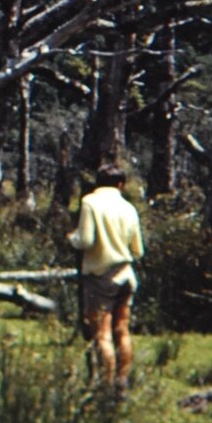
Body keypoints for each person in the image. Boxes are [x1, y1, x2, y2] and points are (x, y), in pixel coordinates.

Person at [70, 162, 144, 390]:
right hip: (126, 274)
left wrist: (71, 238)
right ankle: (122, 382)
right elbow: (138, 250)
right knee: (122, 330)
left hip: (101, 276)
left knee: (102, 335)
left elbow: (85, 240)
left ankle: (105, 385)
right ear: (121, 185)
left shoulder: (90, 203)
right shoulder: (129, 208)